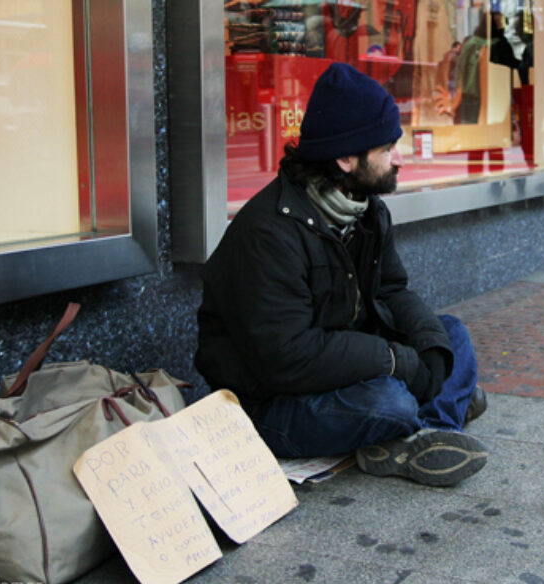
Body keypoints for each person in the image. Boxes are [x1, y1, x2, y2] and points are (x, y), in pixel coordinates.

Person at [196, 62, 489, 487]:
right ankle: (434, 415)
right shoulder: (269, 232)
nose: (399, 159)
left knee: (449, 336)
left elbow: (392, 291)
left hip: (342, 364)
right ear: (346, 158)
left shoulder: (367, 209)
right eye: (387, 149)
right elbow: (287, 357)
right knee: (389, 400)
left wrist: (426, 349)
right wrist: (393, 360)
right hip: (272, 402)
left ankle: (428, 430)